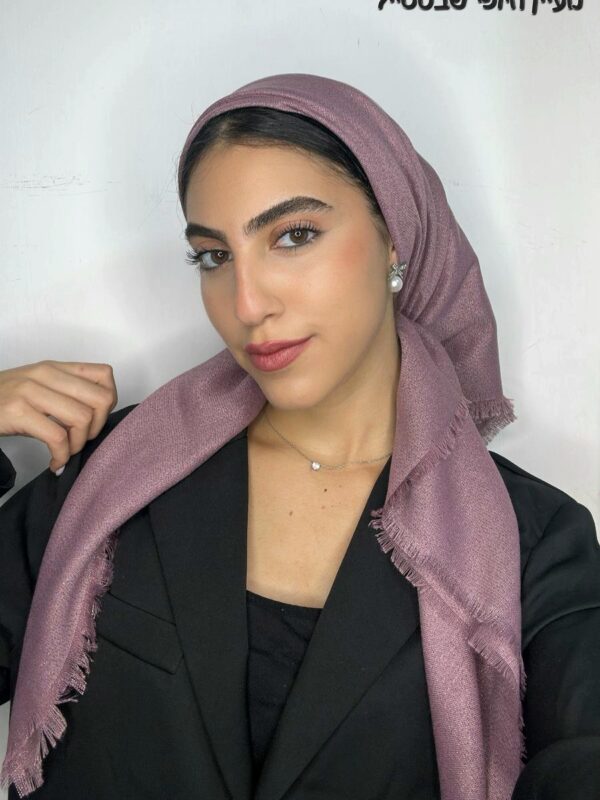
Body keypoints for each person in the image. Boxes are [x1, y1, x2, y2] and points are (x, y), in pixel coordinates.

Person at [1, 72, 599, 800]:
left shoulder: (531, 540)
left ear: (395, 239)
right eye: (214, 255)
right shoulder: (114, 473)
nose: (248, 303)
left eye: (294, 235)